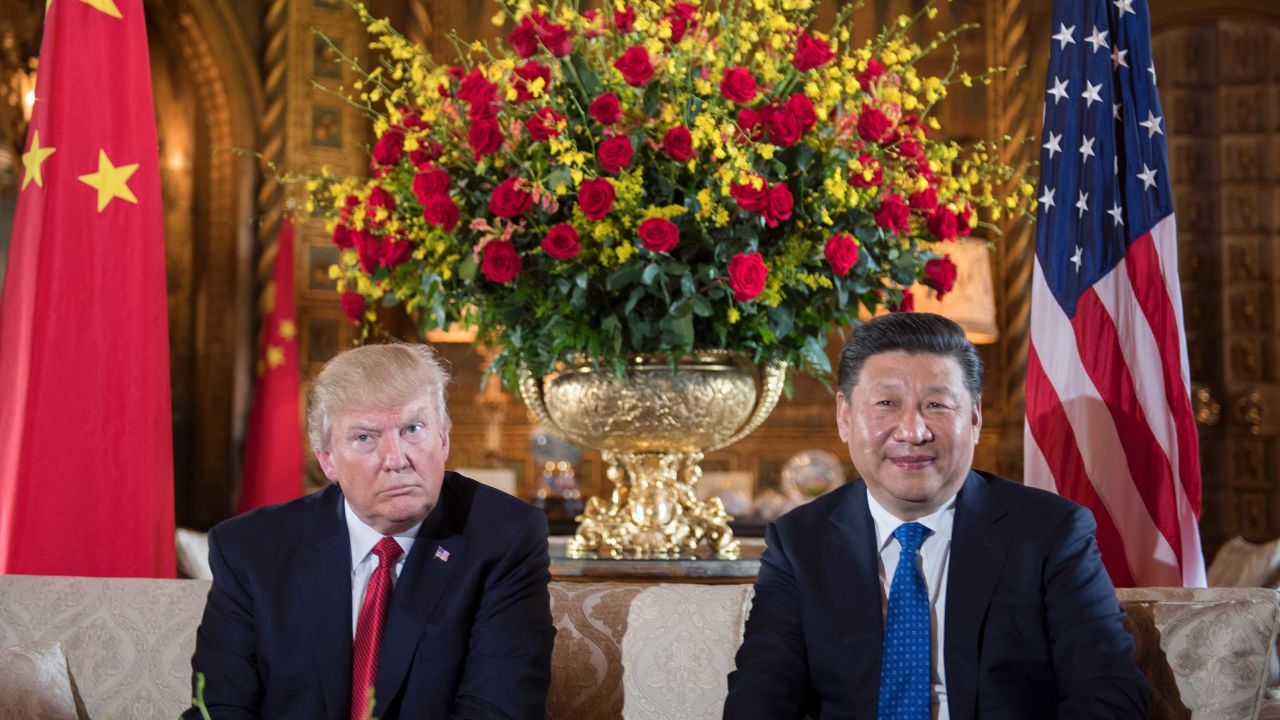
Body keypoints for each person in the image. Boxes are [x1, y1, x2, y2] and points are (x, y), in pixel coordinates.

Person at [723, 312, 1148, 719]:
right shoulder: (799, 542)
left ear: (975, 418)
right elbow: (762, 694)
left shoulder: (1051, 533)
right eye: (887, 403)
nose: (913, 431)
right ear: (845, 417)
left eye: (938, 405)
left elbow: (1109, 695)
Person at [186, 343, 555, 720]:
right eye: (365, 437)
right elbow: (219, 709)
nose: (396, 460)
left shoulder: (504, 538)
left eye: (413, 429)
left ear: (444, 438)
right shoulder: (251, 550)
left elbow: (499, 711)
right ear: (328, 461)